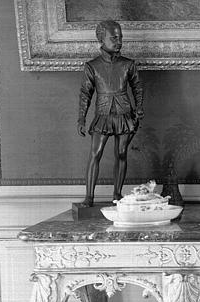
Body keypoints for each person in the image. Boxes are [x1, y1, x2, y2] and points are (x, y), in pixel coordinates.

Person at [77, 20, 143, 207]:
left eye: (120, 37)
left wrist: (139, 107)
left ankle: (117, 194)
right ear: (101, 38)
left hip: (124, 113)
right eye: (114, 37)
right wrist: (81, 117)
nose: (118, 40)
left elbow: (137, 87)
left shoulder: (128, 64)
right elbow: (85, 93)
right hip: (103, 114)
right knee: (95, 153)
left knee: (121, 153)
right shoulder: (92, 66)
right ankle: (89, 197)